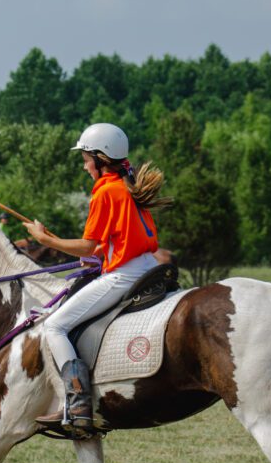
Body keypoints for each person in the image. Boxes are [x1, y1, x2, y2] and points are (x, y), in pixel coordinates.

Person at [23, 123, 171, 437]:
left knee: (54, 326)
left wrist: (45, 239)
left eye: (86, 157)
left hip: (125, 274)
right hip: (147, 266)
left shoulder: (106, 192)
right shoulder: (126, 186)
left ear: (101, 159)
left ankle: (77, 405)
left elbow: (87, 245)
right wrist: (88, 249)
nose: (84, 164)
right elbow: (113, 241)